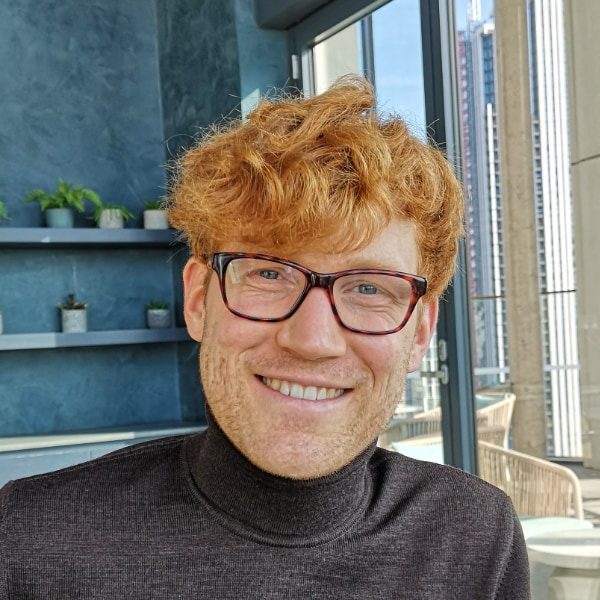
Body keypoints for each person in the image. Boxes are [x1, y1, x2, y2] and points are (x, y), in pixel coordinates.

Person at [0, 76, 530, 599]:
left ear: (420, 333)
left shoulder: (475, 537)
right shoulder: (29, 542)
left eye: (370, 287)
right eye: (269, 274)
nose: (313, 339)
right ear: (196, 300)